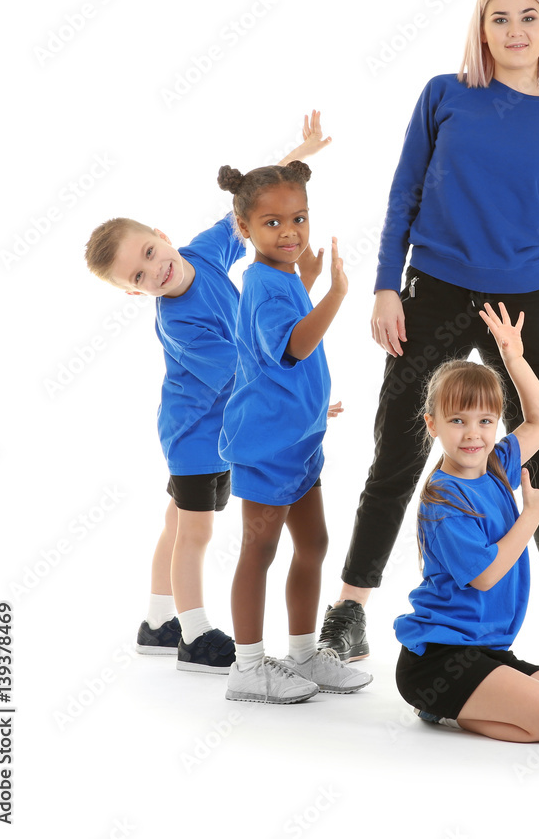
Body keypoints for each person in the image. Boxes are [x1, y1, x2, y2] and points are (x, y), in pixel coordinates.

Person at [321, 0, 539, 670]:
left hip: (523, 297)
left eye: (529, 18)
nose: (515, 31)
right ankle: (351, 609)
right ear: (482, 29)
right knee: (399, 448)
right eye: (501, 18)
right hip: (437, 288)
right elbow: (403, 195)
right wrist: (386, 286)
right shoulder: (445, 95)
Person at [83, 113, 331, 675]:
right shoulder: (179, 323)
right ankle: (194, 636)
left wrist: (303, 153)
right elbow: (245, 367)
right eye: (139, 277)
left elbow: (246, 203)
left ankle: (155, 621)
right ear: (132, 293)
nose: (155, 271)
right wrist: (299, 392)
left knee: (176, 522)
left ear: (162, 237)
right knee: (195, 531)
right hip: (196, 436)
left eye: (149, 253)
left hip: (224, 430)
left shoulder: (203, 252)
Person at [394, 302, 539, 741]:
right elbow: (486, 575)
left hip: (486, 652)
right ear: (432, 425)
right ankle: (437, 707)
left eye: (486, 421)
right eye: (457, 421)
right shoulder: (442, 498)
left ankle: (467, 702)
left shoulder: (498, 464)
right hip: (438, 660)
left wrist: (513, 358)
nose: (473, 434)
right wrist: (532, 514)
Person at [217, 154, 371, 703]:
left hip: (300, 442)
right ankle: (248, 667)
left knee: (315, 542)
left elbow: (294, 293)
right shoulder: (260, 284)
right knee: (257, 552)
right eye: (273, 223)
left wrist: (309, 276)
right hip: (266, 446)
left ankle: (304, 654)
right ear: (245, 229)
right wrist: (334, 293)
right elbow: (294, 345)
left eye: (299, 219)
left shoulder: (282, 274)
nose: (290, 232)